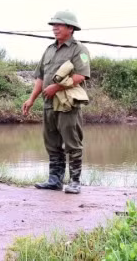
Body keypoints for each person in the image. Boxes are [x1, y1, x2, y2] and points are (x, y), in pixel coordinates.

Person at [22, 11, 91, 194]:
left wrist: (57, 87)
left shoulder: (79, 49)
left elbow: (81, 75)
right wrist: (31, 99)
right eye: (53, 25)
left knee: (72, 142)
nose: (55, 28)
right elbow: (40, 77)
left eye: (59, 25)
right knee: (51, 142)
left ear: (70, 28)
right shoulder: (49, 49)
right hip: (48, 103)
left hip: (67, 103)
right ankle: (55, 180)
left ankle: (75, 181)